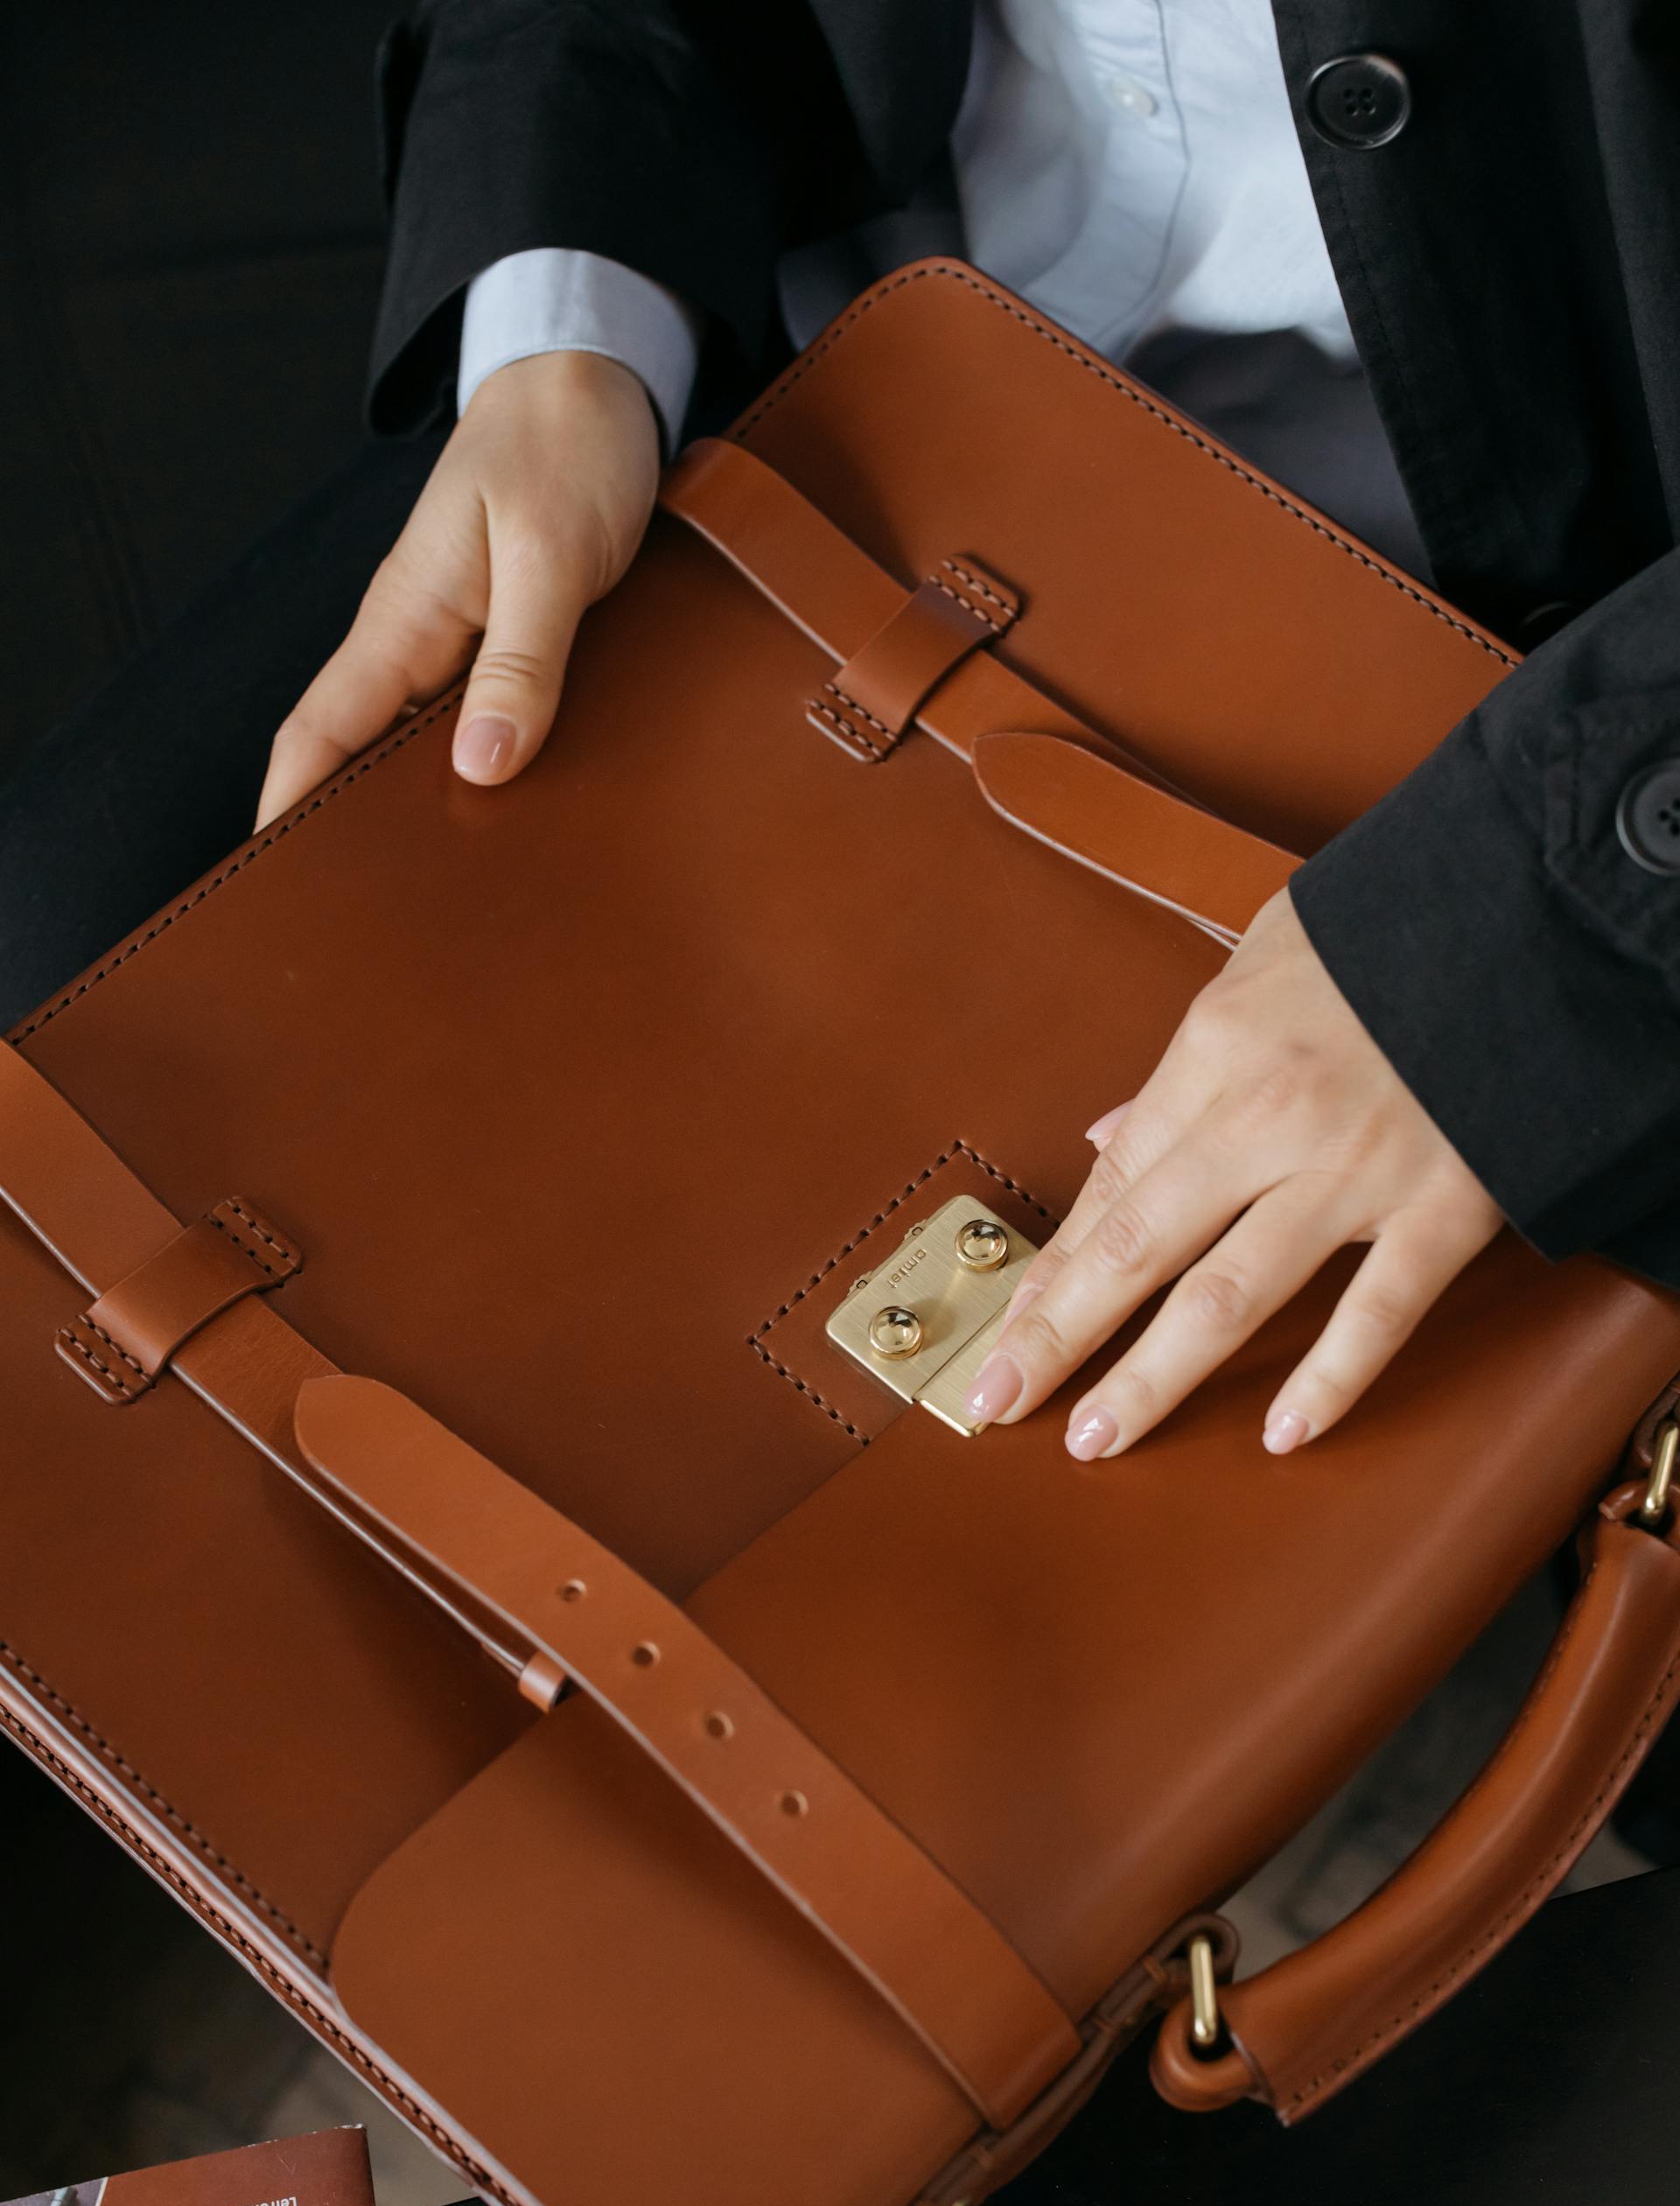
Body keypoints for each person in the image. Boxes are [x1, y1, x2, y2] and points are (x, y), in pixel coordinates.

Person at [10, 1, 1680, 1471]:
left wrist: (1520, 936)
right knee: (66, 1022)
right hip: (780, 380)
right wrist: (569, 334)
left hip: (1565, 644)